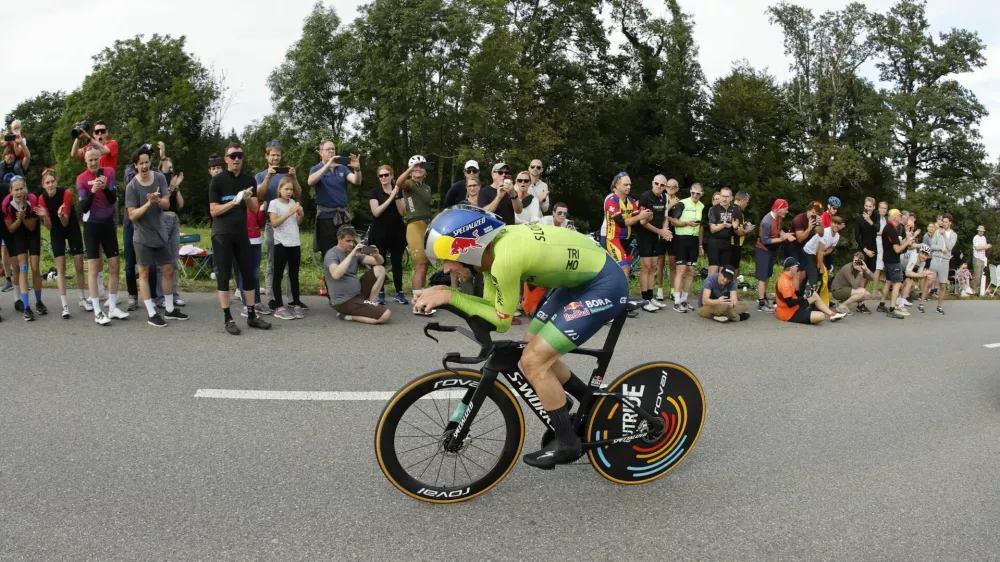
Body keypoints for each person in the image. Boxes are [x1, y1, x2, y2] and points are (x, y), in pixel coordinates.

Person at [416, 206, 630, 469]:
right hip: (578, 282)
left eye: (446, 258)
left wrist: (451, 297)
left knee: (533, 360)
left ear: (466, 249)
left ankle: (567, 442)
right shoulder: (490, 256)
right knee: (531, 344)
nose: (446, 268)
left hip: (604, 284)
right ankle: (588, 403)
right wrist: (448, 296)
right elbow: (490, 312)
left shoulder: (505, 259)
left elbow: (501, 322)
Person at [208, 141, 272, 335]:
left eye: (240, 156)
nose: (237, 159)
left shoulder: (249, 179)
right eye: (233, 156)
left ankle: (251, 315)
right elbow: (213, 211)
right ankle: (228, 318)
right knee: (224, 276)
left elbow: (253, 208)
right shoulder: (218, 181)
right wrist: (234, 201)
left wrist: (248, 200)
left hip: (241, 234)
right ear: (226, 159)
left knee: (249, 274)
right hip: (222, 235)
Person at [124, 145, 188, 327]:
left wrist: (158, 201)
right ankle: (151, 312)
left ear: (151, 163)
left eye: (147, 162)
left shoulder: (159, 177)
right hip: (142, 236)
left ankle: (169, 309)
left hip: (160, 233)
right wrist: (147, 204)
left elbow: (167, 204)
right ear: (135, 165)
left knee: (168, 268)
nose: (144, 166)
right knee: (144, 272)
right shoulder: (132, 187)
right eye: (141, 163)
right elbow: (132, 215)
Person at [77, 146, 127, 325]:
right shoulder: (81, 179)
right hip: (91, 226)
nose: (93, 163)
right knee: (93, 266)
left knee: (114, 265)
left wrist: (105, 188)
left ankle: (112, 307)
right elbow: (83, 208)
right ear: (85, 160)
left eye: (96, 159)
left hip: (107, 224)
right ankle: (97, 311)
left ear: (100, 159)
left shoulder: (109, 172)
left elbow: (113, 200)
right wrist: (92, 191)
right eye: (90, 160)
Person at [35, 169, 88, 318]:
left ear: (56, 182)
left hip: (70, 227)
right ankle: (64, 304)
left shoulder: (66, 193)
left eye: (52, 182)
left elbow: (64, 222)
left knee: (79, 264)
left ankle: (82, 298)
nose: (50, 185)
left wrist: (60, 214)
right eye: (47, 183)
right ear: (43, 185)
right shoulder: (42, 199)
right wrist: (45, 217)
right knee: (60, 267)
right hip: (56, 230)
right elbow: (50, 227)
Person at [255, 140, 301, 308]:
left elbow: (298, 192)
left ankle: (292, 298)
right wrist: (268, 176)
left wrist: (294, 177)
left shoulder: (286, 174)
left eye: (278, 155)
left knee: (291, 265)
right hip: (272, 222)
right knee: (273, 262)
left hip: (290, 224)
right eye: (272, 155)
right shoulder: (260, 175)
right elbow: (258, 194)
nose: (275, 158)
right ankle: (273, 297)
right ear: (266, 156)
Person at [307, 139, 361, 265]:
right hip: (326, 217)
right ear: (321, 153)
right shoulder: (316, 168)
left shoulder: (342, 168)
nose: (331, 151)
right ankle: (329, 283)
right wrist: (328, 165)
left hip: (343, 217)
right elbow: (310, 181)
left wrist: (357, 170)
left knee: (347, 249)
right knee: (329, 252)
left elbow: (356, 181)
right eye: (328, 149)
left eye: (333, 149)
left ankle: (345, 280)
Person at [324, 225, 390, 324]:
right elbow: (336, 274)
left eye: (352, 241)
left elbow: (379, 262)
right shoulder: (332, 254)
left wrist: (376, 255)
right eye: (348, 241)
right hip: (343, 301)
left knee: (380, 269)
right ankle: (348, 316)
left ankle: (372, 303)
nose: (351, 244)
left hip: (357, 294)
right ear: (339, 239)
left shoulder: (353, 251)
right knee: (386, 315)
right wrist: (351, 255)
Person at [397, 155, 436, 315]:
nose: (418, 168)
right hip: (414, 225)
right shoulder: (409, 183)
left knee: (425, 265)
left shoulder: (427, 187)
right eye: (415, 166)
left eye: (421, 166)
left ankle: (421, 300)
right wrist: (410, 169)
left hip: (427, 225)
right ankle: (417, 304)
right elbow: (399, 183)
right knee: (419, 265)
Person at [2, 176, 43, 320]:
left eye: (21, 189)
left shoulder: (32, 199)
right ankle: (26, 307)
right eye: (16, 189)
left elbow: (32, 227)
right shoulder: (6, 204)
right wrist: (19, 219)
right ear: (11, 191)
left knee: (35, 267)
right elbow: (11, 229)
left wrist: (24, 217)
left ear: (25, 188)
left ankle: (39, 302)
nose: (20, 192)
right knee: (23, 267)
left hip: (32, 232)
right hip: (18, 233)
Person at [266, 178, 306, 320]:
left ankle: (295, 304)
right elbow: (274, 223)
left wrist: (300, 213)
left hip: (295, 243)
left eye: (291, 190)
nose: (289, 192)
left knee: (294, 275)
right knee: (278, 275)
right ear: (279, 190)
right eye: (286, 189)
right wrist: (289, 213)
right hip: (281, 243)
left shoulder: (294, 203)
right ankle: (279, 306)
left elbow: (299, 222)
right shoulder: (274, 204)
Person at [368, 164, 407, 306]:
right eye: (381, 175)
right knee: (379, 261)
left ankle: (399, 292)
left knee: (397, 262)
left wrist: (396, 196)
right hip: (379, 232)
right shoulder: (374, 193)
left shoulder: (399, 192)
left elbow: (403, 212)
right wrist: (390, 197)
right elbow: (376, 212)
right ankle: (381, 292)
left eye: (386, 175)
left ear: (391, 176)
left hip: (397, 231)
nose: (383, 178)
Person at [604, 172, 650, 278]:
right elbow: (622, 222)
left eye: (630, 185)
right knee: (624, 268)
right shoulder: (611, 201)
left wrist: (647, 216)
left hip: (627, 240)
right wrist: (640, 216)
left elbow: (638, 221)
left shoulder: (630, 200)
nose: (629, 187)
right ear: (616, 185)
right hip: (614, 239)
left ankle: (620, 293)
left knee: (627, 270)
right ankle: (622, 294)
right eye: (626, 185)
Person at [667, 183, 705, 312]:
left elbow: (700, 227)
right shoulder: (682, 203)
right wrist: (685, 223)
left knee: (691, 271)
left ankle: (684, 300)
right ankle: (677, 301)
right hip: (681, 239)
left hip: (694, 240)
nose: (695, 195)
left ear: (702, 194)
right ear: (690, 191)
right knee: (681, 269)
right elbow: (673, 220)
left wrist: (700, 245)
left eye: (698, 193)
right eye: (693, 192)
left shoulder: (702, 206)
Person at [636, 175, 671, 311]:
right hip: (644, 234)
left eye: (662, 185)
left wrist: (665, 230)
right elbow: (642, 222)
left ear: (665, 187)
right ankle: (644, 300)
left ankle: (650, 297)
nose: (658, 186)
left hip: (656, 235)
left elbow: (665, 217)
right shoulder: (646, 196)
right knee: (646, 267)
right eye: (656, 183)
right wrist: (660, 231)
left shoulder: (664, 198)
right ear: (652, 183)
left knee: (653, 267)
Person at [775, 258, 846, 324]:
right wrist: (805, 296)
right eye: (796, 267)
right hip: (789, 313)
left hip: (793, 307)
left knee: (813, 294)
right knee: (821, 316)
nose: (798, 269)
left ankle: (833, 314)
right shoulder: (785, 283)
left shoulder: (787, 277)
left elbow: (793, 295)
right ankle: (806, 313)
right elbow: (790, 303)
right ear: (791, 268)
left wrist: (808, 292)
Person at [754, 199, 796, 313]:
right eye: (785, 209)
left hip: (771, 250)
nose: (787, 211)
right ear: (778, 208)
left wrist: (784, 234)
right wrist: (781, 239)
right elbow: (765, 240)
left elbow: (779, 229)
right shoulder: (766, 222)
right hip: (763, 249)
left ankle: (764, 298)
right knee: (762, 277)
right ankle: (761, 303)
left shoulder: (779, 217)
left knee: (768, 275)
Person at [876, 209, 915, 319]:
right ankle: (892, 309)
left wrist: (908, 238)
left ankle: (882, 304)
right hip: (893, 260)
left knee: (888, 282)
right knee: (897, 283)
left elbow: (897, 242)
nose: (901, 217)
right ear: (895, 218)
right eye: (899, 216)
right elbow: (897, 249)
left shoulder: (891, 228)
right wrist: (908, 242)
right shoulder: (891, 230)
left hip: (887, 259)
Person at [0, 146, 27, 293]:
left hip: (6, 220)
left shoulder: (5, 189)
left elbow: (14, 195)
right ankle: (9, 279)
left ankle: (18, 295)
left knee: (13, 255)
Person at [802, 215, 845, 293]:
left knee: (820, 276)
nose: (836, 225)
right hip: (808, 251)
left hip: (817, 253)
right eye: (834, 223)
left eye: (838, 224)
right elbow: (820, 251)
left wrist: (825, 253)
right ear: (831, 223)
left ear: (840, 226)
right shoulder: (826, 233)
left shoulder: (837, 236)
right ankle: (807, 297)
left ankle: (816, 298)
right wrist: (821, 267)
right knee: (813, 275)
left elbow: (831, 248)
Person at [928, 213, 957, 314]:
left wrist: (944, 235)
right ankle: (922, 303)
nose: (943, 223)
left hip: (945, 261)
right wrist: (940, 248)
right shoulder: (937, 232)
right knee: (930, 281)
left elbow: (949, 247)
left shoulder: (953, 235)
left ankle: (939, 306)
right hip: (936, 259)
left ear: (950, 223)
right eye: (942, 221)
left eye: (945, 222)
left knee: (942, 285)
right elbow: (932, 246)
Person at [706, 187, 736, 278]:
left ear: (731, 198)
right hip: (714, 241)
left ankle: (721, 291)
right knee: (713, 270)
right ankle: (708, 291)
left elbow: (738, 230)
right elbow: (712, 229)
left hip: (727, 241)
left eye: (727, 196)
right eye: (723, 196)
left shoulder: (735, 210)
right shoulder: (713, 209)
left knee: (724, 271)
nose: (724, 198)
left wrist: (736, 227)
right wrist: (723, 225)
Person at [904, 245, 935, 313]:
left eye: (926, 255)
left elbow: (920, 276)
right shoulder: (914, 256)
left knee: (912, 285)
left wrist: (927, 275)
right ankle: (901, 303)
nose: (923, 256)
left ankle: (901, 296)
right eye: (922, 253)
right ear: (919, 252)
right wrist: (922, 274)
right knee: (909, 283)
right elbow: (907, 273)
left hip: (903, 269)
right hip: (898, 266)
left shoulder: (923, 262)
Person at [730, 191, 754, 269]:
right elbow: (739, 232)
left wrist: (743, 225)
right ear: (743, 200)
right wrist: (748, 230)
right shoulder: (738, 212)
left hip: (729, 242)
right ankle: (732, 281)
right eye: (747, 202)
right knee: (734, 268)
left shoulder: (730, 208)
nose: (747, 204)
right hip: (735, 243)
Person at [870, 201, 889, 295]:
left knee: (879, 268)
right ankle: (874, 290)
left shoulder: (885, 220)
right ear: (878, 208)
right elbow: (872, 231)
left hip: (882, 246)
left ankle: (875, 289)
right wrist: (883, 233)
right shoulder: (875, 218)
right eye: (881, 208)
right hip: (875, 245)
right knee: (877, 268)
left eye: (885, 208)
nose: (883, 210)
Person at [972, 225, 990, 294]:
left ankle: (977, 290)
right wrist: (985, 246)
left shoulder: (984, 238)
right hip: (977, 258)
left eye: (982, 231)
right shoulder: (975, 238)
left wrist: (987, 246)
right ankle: (975, 290)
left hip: (983, 258)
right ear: (978, 231)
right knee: (977, 276)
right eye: (980, 231)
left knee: (981, 276)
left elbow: (985, 247)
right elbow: (977, 248)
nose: (981, 232)